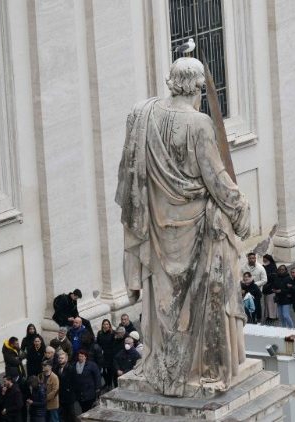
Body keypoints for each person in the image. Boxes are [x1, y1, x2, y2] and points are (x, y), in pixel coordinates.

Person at [115, 57, 250, 397]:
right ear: (199, 89)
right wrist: (240, 211)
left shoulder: (142, 114)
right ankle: (203, 366)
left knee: (164, 302)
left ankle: (163, 357)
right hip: (198, 232)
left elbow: (131, 177)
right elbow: (216, 178)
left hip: (157, 231)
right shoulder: (199, 123)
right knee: (206, 298)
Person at [54, 351, 75, 422]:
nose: (60, 359)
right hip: (60, 395)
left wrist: (71, 391)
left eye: (62, 358)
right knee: (63, 415)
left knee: (71, 414)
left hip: (69, 396)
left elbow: (74, 383)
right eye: (59, 358)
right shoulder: (56, 368)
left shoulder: (71, 368)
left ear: (66, 359)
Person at [96, 319, 115, 390]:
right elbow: (98, 343)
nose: (106, 325)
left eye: (107, 324)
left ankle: (110, 384)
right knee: (103, 370)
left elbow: (113, 344)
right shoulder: (100, 333)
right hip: (102, 354)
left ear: (109, 325)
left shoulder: (112, 333)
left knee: (109, 370)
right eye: (104, 324)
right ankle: (106, 382)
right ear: (102, 325)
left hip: (110, 355)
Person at [261, 254, 279, 324]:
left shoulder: (273, 267)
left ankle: (273, 316)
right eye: (263, 259)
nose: (264, 260)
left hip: (271, 287)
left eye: (265, 259)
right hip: (266, 287)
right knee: (266, 302)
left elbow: (274, 277)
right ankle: (268, 315)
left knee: (271, 302)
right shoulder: (263, 267)